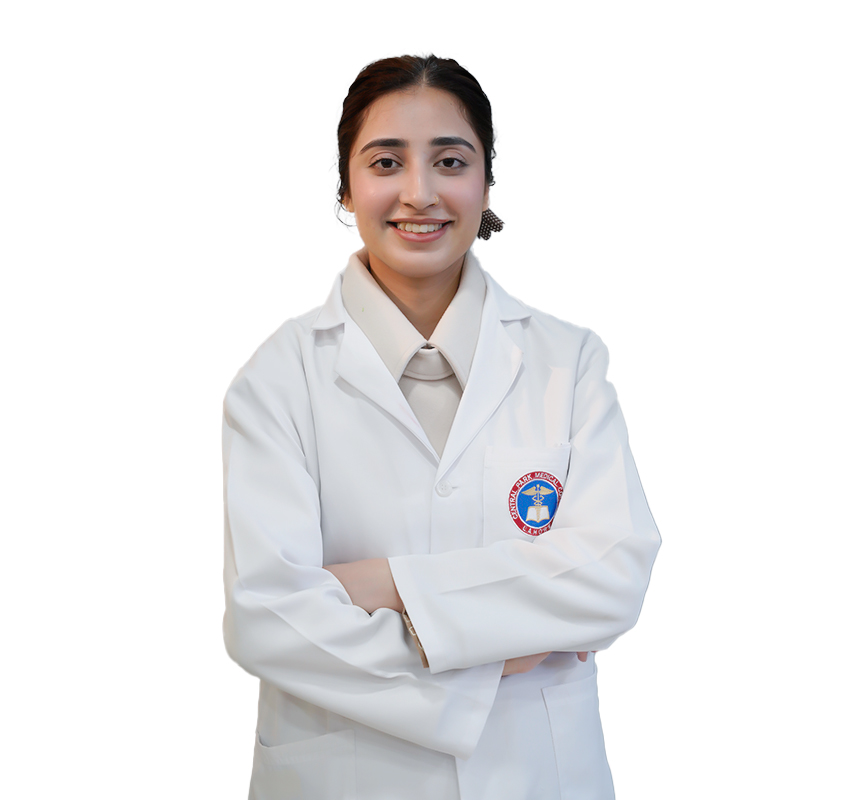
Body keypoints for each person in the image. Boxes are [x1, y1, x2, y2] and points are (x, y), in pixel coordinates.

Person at [222, 54, 661, 800]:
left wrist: (385, 584)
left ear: (486, 183)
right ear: (346, 186)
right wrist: (492, 656)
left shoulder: (568, 362)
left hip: (538, 774)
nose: (419, 193)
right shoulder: (277, 379)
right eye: (386, 162)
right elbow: (267, 618)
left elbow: (612, 578)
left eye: (450, 162)